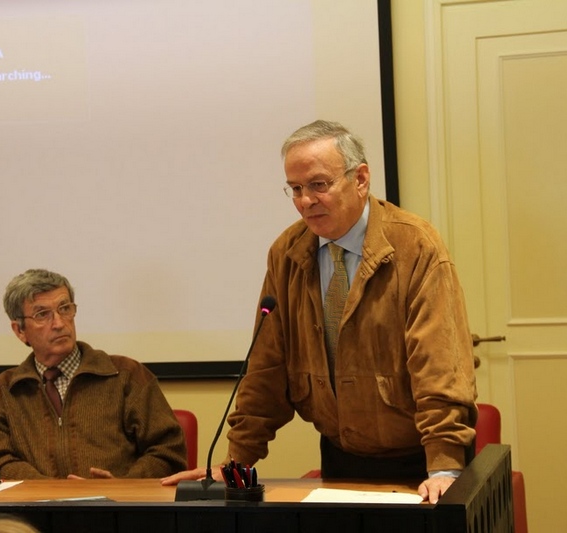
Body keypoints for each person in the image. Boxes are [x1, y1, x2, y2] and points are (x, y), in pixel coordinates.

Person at [162, 120, 477, 503]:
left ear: (360, 178)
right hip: (341, 459)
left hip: (421, 464)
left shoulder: (416, 246)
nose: (304, 201)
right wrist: (236, 462)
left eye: (318, 185)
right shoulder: (288, 253)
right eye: (295, 189)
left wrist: (445, 466)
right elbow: (267, 367)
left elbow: (440, 366)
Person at [0, 268, 187, 479]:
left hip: (118, 508)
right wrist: (50, 493)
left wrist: (122, 487)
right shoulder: (3, 393)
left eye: (65, 308)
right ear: (19, 330)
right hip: (33, 510)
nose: (59, 323)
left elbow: (168, 453)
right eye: (42, 315)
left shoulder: (126, 376)